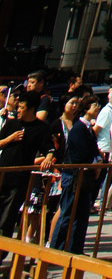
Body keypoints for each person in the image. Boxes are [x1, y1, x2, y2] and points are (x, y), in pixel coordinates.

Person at [0, 93, 54, 254]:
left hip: (19, 180)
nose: (18, 110)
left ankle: (2, 252)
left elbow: (50, 149)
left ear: (31, 109)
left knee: (7, 218)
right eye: (18, 107)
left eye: (22, 107)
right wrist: (10, 139)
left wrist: (48, 158)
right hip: (2, 175)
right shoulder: (12, 124)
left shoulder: (41, 128)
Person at [48, 93, 100, 255]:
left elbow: (94, 149)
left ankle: (75, 249)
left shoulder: (88, 128)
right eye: (94, 105)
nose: (97, 108)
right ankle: (55, 250)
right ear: (87, 108)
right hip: (73, 175)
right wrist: (94, 163)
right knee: (67, 213)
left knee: (82, 214)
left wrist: (98, 160)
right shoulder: (79, 128)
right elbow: (81, 152)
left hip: (84, 177)